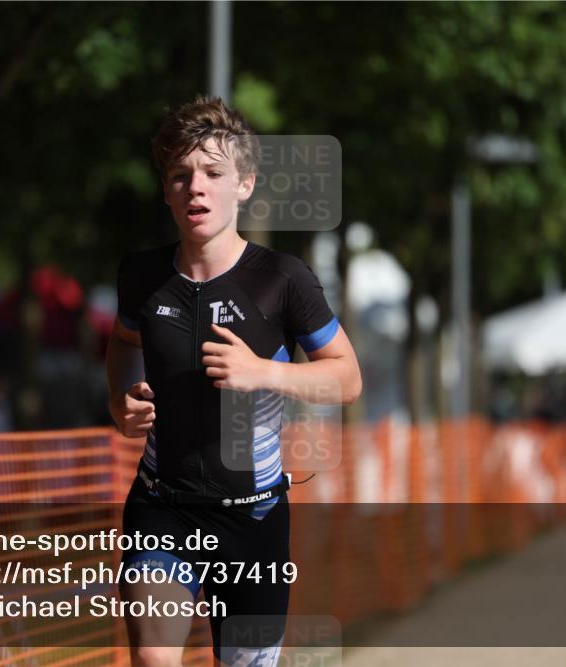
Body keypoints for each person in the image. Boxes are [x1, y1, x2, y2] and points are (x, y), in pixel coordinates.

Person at [105, 96, 362, 667]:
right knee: (154, 658)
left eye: (213, 173)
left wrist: (263, 371)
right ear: (166, 189)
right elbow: (122, 343)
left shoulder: (283, 279)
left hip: (253, 517)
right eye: (181, 175)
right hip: (162, 507)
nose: (196, 187)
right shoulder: (141, 276)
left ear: (244, 184)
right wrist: (119, 401)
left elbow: (347, 379)